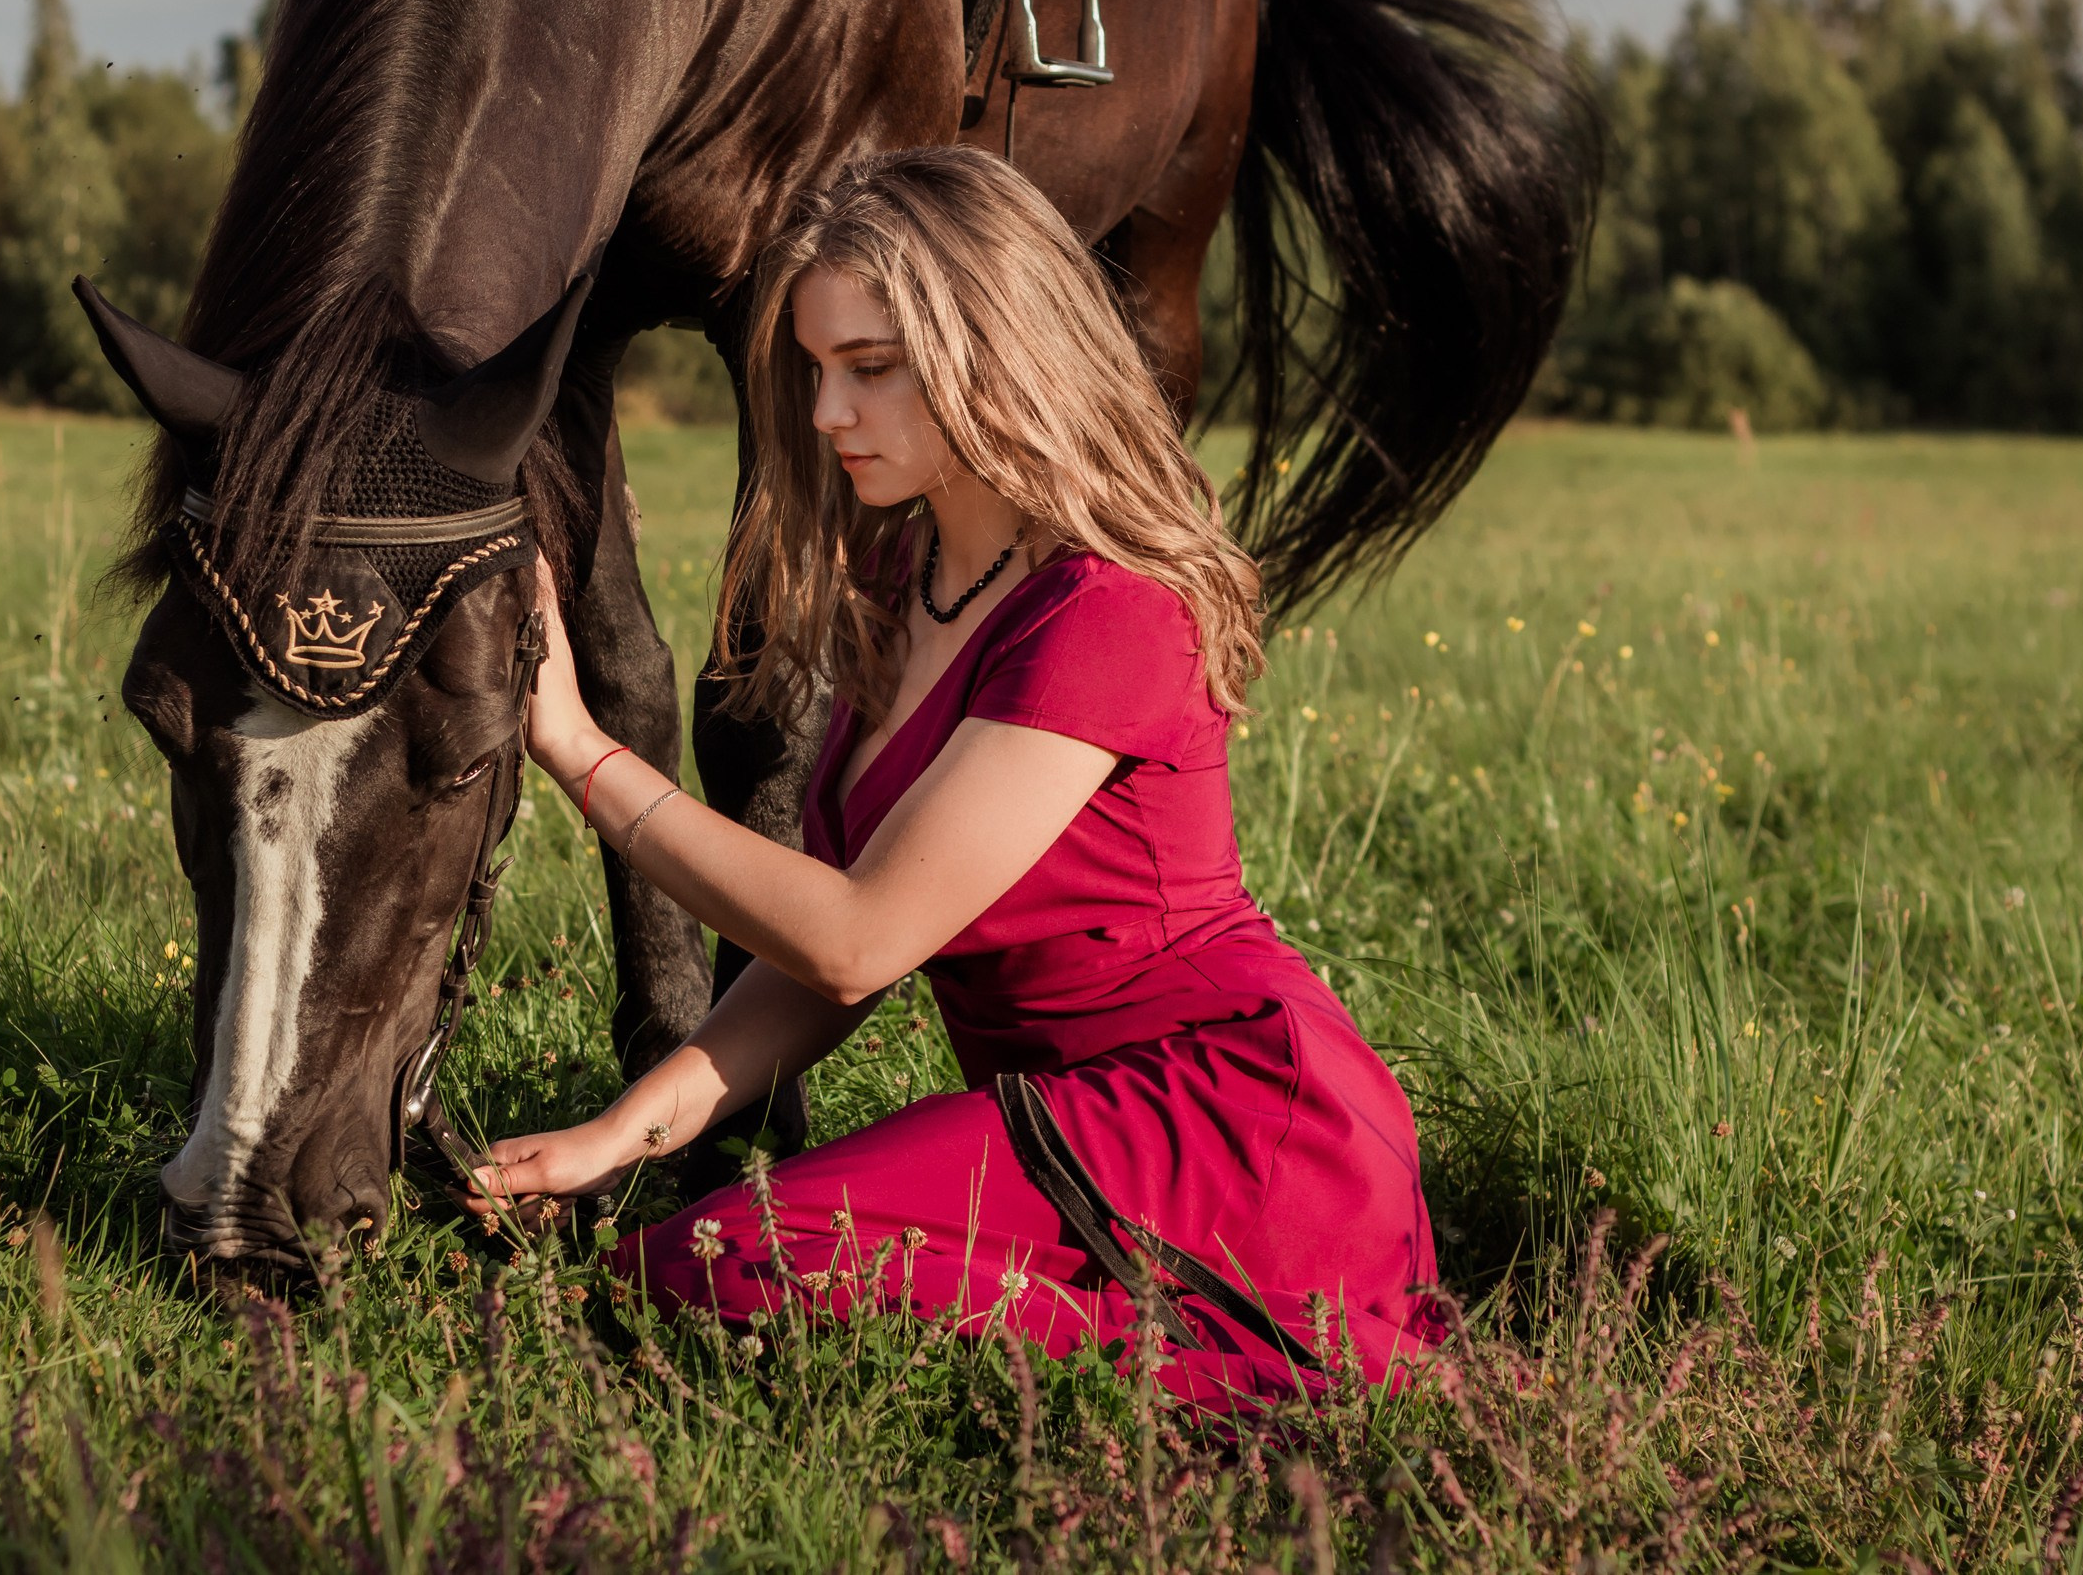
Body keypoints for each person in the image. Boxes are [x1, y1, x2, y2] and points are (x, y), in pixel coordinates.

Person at [469, 146, 1439, 1412]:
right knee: (690, 1261)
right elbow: (826, 960)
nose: (826, 414)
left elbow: (862, 938)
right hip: (1071, 1116)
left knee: (720, 1265)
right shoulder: (899, 581)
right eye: (819, 369)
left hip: (1222, 1119)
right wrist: (623, 1131)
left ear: (997, 347)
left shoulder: (1106, 612)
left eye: (872, 368)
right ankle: (1183, 1340)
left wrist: (579, 751)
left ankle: (1263, 1361)